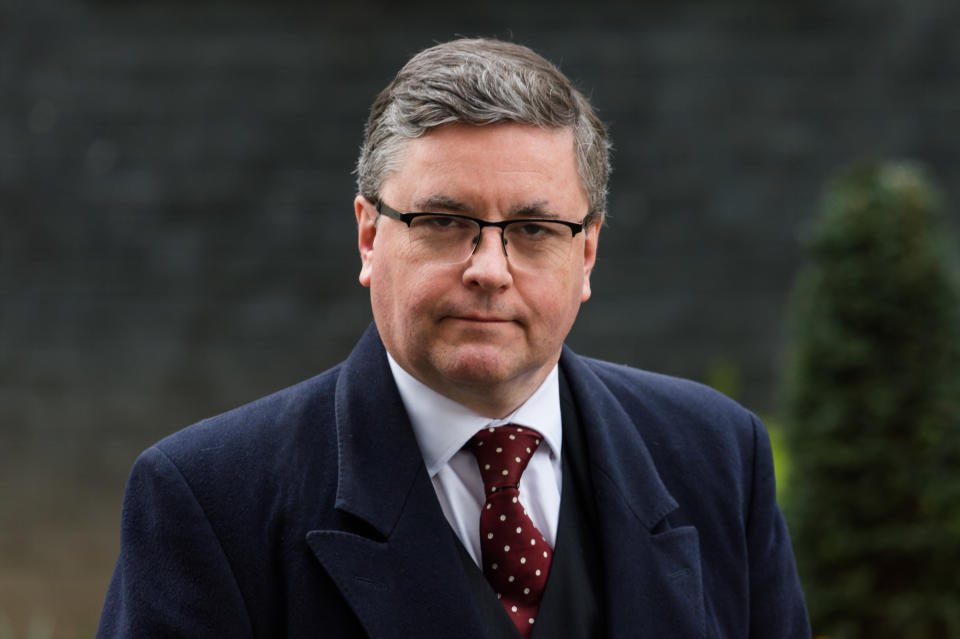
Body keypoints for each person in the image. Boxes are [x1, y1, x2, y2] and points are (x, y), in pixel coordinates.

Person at [97, 38, 809, 638]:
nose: (489, 270)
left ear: (586, 254)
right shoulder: (207, 500)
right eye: (443, 221)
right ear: (370, 235)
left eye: (533, 230)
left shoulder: (717, 455)